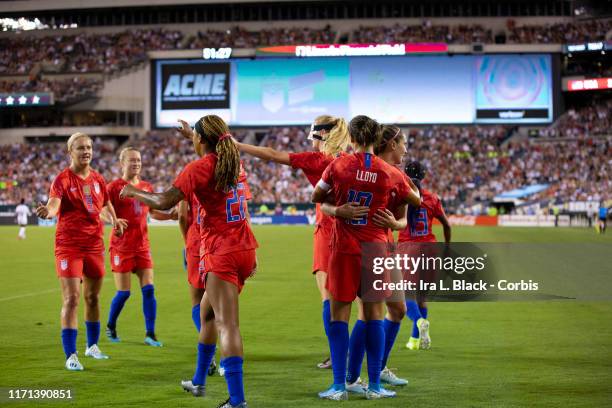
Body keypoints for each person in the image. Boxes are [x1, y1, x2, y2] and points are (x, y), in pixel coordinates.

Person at [120, 115, 257, 408]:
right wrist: (191, 134)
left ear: (201, 140)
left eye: (194, 136)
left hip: (223, 251)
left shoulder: (198, 168)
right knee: (207, 315)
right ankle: (198, 382)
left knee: (227, 324)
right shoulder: (233, 162)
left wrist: (133, 191)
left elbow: (163, 202)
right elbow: (210, 149)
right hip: (244, 247)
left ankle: (237, 401)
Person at [312, 116, 421, 400]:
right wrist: (394, 219)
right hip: (375, 249)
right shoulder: (390, 173)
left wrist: (338, 210)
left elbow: (317, 196)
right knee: (373, 316)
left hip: (345, 248)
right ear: (376, 138)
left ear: (352, 138)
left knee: (339, 316)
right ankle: (374, 386)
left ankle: (339, 386)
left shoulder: (338, 165)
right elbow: (417, 200)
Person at [235, 115, 350, 369]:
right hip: (353, 232)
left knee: (327, 297)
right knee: (354, 300)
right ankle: (364, 360)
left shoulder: (318, 160)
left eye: (315, 139)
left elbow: (273, 154)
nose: (312, 144)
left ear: (322, 137)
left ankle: (338, 358)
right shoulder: (350, 161)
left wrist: (239, 146)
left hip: (327, 229)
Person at [35, 132, 127, 371]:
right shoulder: (62, 179)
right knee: (72, 298)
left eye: (89, 147)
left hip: (94, 246)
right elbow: (54, 204)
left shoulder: (98, 179)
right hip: (69, 246)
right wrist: (49, 211)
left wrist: (115, 221)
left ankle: (92, 346)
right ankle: (71, 355)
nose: (86, 151)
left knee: (93, 297)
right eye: (81, 148)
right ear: (70, 152)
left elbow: (104, 205)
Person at [103, 147, 176, 347]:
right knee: (124, 293)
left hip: (142, 246)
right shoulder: (113, 187)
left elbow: (152, 212)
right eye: (132, 160)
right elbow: (102, 210)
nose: (136, 164)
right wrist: (113, 221)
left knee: (149, 290)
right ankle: (110, 325)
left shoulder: (146, 186)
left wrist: (170, 216)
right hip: (121, 247)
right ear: (122, 163)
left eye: (138, 160)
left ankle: (150, 334)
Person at [398, 161, 451, 351]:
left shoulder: (402, 196)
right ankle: (414, 341)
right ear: (424, 176)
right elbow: (447, 225)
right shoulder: (432, 198)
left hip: (408, 247)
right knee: (422, 297)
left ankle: (419, 321)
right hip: (430, 249)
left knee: (406, 294)